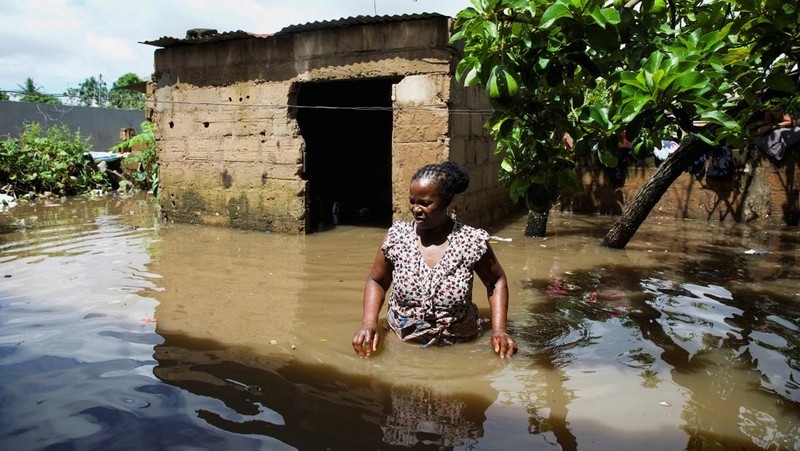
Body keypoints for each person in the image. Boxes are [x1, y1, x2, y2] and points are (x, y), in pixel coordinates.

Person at [352, 161, 518, 358]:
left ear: (446, 201)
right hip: (402, 342)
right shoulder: (396, 238)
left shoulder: (470, 241)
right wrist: (369, 323)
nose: (416, 209)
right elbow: (377, 280)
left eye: (425, 203)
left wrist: (499, 329)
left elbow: (495, 280)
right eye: (412, 201)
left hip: (460, 346)